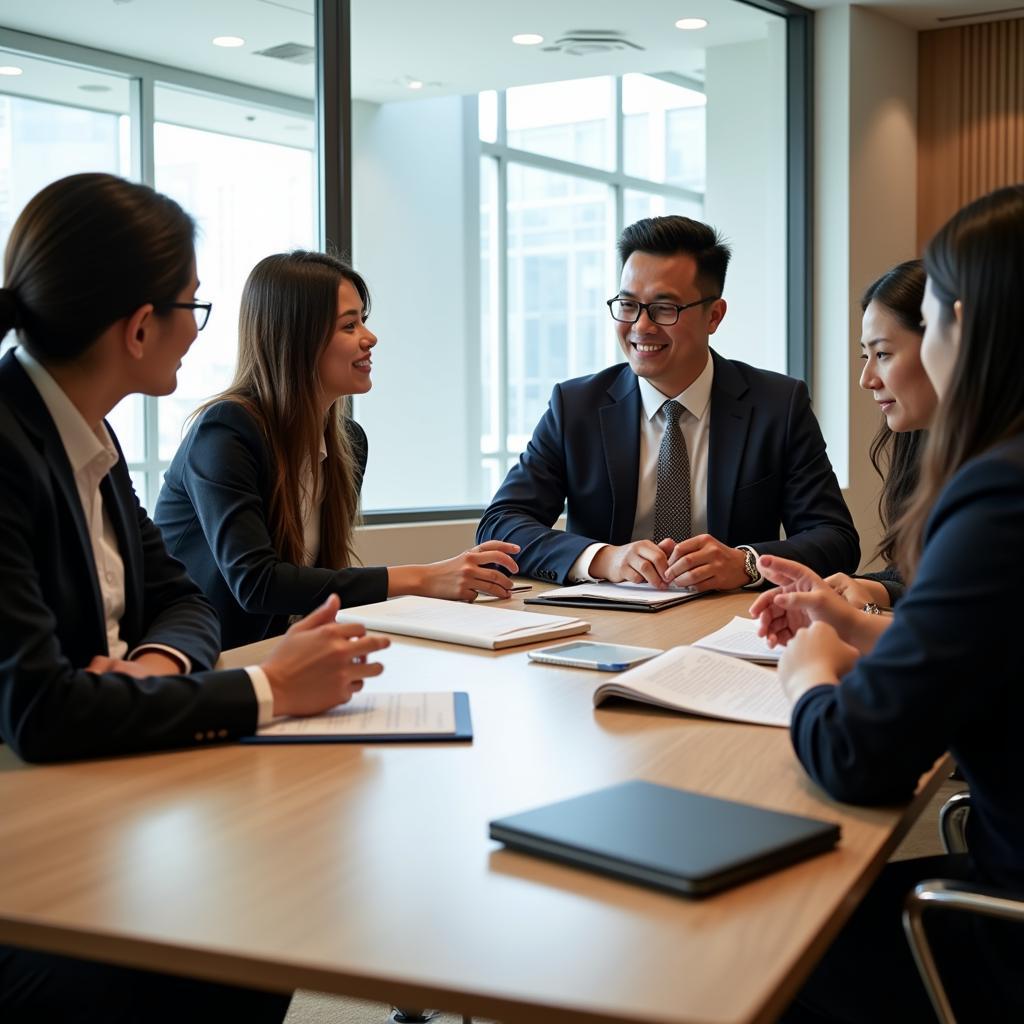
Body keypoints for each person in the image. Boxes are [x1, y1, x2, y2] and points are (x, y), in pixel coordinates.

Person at [0, 173, 389, 1021]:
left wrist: (154, 660)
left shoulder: (85, 432)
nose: (195, 331)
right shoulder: (11, 450)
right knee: (248, 930)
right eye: (193, 307)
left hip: (92, 792)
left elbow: (185, 598)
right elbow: (36, 708)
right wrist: (269, 687)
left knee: (266, 905)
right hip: (25, 846)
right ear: (141, 327)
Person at [751, 184, 1024, 1021]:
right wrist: (862, 627)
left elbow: (856, 760)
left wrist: (811, 670)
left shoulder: (1000, 494)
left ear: (965, 328)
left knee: (767, 934)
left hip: (1004, 924)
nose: (868, 376)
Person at [154, 251, 519, 650]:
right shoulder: (225, 431)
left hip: (281, 654)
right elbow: (256, 583)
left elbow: (318, 586)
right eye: (350, 325)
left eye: (363, 320)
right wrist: (424, 578)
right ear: (296, 338)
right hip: (206, 663)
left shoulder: (348, 442)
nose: (370, 337)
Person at [476, 216, 859, 591]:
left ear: (714, 315)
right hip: (605, 625)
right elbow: (501, 524)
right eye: (627, 305)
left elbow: (836, 539)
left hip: (729, 625)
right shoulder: (576, 406)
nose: (641, 327)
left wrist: (745, 563)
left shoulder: (778, 405)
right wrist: (602, 558)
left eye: (664, 308)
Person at [828, 260, 936, 611]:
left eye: (883, 354)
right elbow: (921, 577)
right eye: (865, 355)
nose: (867, 378)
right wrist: (873, 589)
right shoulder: (922, 443)